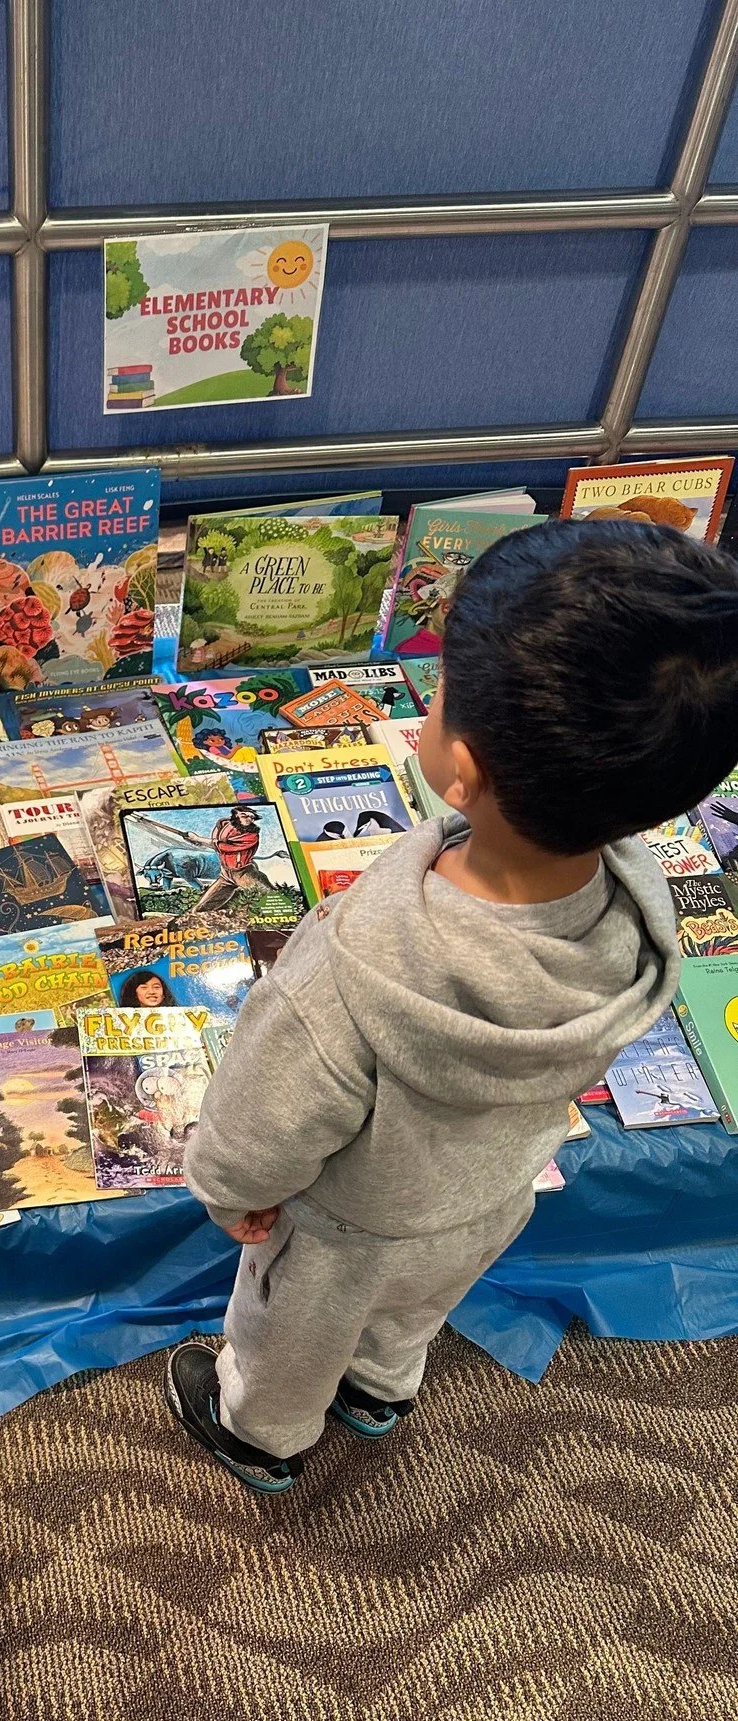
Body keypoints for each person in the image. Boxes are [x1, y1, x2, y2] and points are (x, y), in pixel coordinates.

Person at [167, 521, 738, 1493]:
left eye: (435, 699)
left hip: (344, 1225)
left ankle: (259, 1433)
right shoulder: (637, 911)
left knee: (285, 1338)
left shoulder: (351, 967)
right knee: (408, 1310)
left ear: (459, 765)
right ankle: (381, 1388)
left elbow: (260, 1122)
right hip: (487, 1198)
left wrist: (228, 1193)